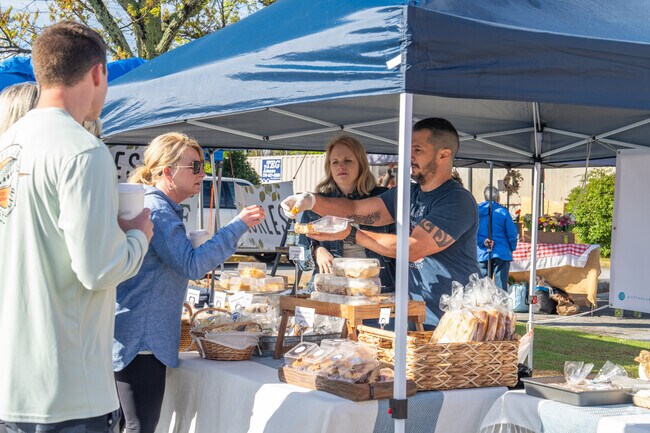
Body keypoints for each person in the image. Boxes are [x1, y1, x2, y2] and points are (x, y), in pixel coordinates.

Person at [0, 21, 152, 433]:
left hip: (13, 383)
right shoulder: (82, 150)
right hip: (68, 388)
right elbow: (98, 268)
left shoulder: (8, 142)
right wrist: (139, 234)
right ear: (99, 73)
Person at [113, 132, 265, 433]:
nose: (202, 173)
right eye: (194, 167)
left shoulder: (157, 207)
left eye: (203, 167)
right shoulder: (157, 210)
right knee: (138, 426)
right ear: (167, 171)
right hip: (142, 340)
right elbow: (191, 265)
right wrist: (237, 226)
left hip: (137, 334)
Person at [282, 118, 479, 327]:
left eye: (417, 150)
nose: (408, 156)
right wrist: (312, 201)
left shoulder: (457, 201)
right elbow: (355, 209)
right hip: (409, 311)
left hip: (449, 318)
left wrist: (349, 234)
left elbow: (412, 248)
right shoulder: (405, 194)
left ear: (443, 155)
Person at [297, 135, 395, 292]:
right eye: (335, 162)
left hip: (376, 288)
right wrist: (317, 251)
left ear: (361, 164)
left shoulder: (384, 198)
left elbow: (400, 249)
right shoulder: (316, 203)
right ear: (329, 167)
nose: (340, 166)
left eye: (347, 161)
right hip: (331, 289)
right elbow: (300, 257)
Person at [477, 186, 518, 290]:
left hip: (482, 253)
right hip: (501, 253)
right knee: (501, 289)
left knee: (483, 289)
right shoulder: (503, 212)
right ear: (498, 198)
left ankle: (484, 306)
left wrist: (482, 241)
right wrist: (512, 248)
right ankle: (501, 306)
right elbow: (512, 233)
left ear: (485, 198)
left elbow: (471, 233)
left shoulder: (476, 212)